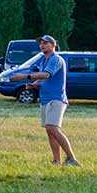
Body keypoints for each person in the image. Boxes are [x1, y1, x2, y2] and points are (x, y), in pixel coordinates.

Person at [14, 33, 79, 167]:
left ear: (53, 45)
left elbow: (46, 74)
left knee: (52, 127)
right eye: (41, 43)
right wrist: (34, 84)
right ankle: (56, 161)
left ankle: (72, 158)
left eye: (46, 43)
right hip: (45, 99)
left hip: (56, 99)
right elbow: (44, 78)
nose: (42, 45)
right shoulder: (44, 60)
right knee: (49, 131)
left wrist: (24, 76)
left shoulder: (56, 59)